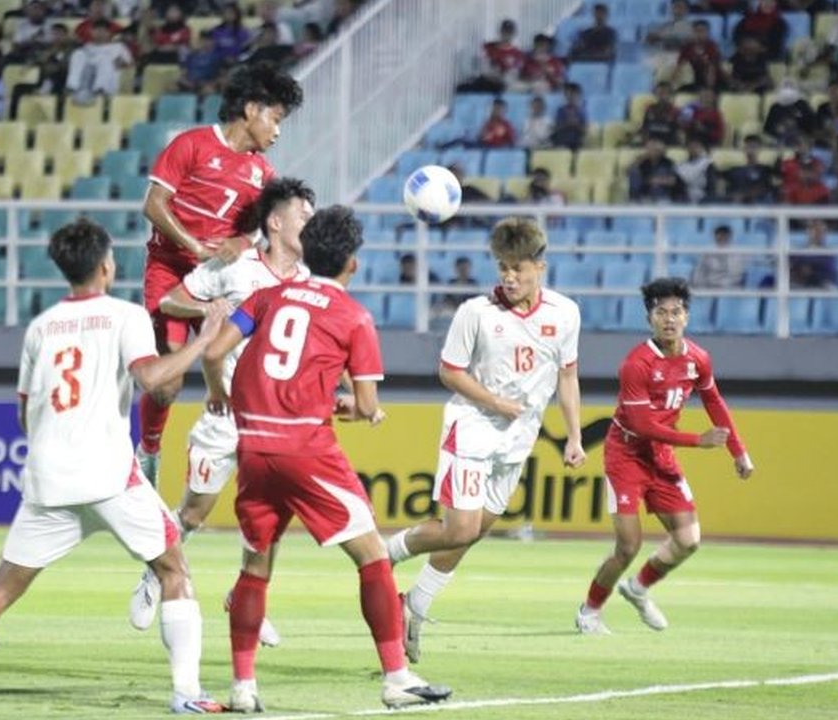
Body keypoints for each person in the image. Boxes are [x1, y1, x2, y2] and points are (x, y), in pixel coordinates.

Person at [0, 220, 229, 715]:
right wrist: (206, 339)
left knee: (2, 589)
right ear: (106, 266)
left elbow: (25, 414)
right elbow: (153, 379)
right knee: (173, 569)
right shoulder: (125, 316)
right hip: (110, 476)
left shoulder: (41, 327)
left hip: (50, 477)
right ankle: (187, 693)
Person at [204, 205, 452, 711]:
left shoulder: (267, 296)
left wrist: (218, 394)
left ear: (307, 253)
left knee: (255, 568)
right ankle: (397, 677)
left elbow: (212, 353)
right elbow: (366, 404)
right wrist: (359, 411)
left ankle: (243, 688)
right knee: (374, 557)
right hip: (306, 448)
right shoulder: (353, 316)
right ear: (352, 264)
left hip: (253, 446)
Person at [385, 217, 584, 664]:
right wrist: (494, 401)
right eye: (503, 268)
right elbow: (448, 371)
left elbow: (567, 376)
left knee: (475, 533)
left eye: (518, 269)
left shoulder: (565, 313)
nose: (510, 278)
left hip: (518, 439)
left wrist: (573, 435)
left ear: (540, 267)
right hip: (472, 428)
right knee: (459, 528)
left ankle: (414, 605)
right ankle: (383, 555)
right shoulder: (475, 312)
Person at [127, 177, 315, 644]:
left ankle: (246, 597)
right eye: (302, 214)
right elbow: (171, 299)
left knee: (269, 520)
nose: (309, 223)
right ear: (275, 222)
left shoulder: (307, 281)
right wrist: (216, 309)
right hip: (225, 412)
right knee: (194, 512)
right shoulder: (235, 266)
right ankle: (156, 573)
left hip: (274, 419)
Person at [137, 62, 303, 486]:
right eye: (276, 119)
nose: (278, 131)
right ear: (251, 110)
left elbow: (270, 226)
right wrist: (193, 247)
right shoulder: (191, 145)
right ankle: (149, 451)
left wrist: (243, 243)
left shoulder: (263, 174)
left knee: (244, 368)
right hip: (170, 269)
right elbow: (154, 205)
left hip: (222, 278)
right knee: (166, 385)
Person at [575, 277, 753, 634]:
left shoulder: (697, 359)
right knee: (628, 545)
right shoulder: (636, 364)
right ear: (649, 318)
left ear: (686, 316)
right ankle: (589, 611)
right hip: (625, 454)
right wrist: (696, 440)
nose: (669, 319)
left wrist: (739, 451)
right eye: (661, 312)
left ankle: (638, 588)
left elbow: (714, 401)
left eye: (676, 312)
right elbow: (641, 424)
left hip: (661, 455)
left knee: (688, 540)